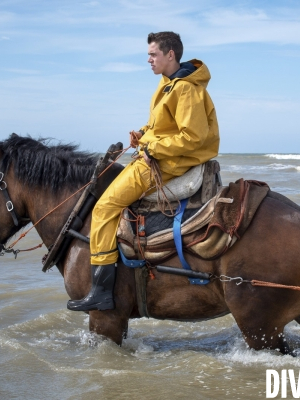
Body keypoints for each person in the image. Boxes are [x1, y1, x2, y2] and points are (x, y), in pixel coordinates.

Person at [67, 31, 220, 312]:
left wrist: (152, 147)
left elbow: (193, 137)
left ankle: (101, 291)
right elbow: (163, 126)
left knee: (103, 208)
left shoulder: (186, 89)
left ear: (170, 55)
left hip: (170, 163)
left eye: (153, 54)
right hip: (157, 156)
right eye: (149, 54)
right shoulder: (167, 84)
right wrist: (143, 133)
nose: (148, 60)